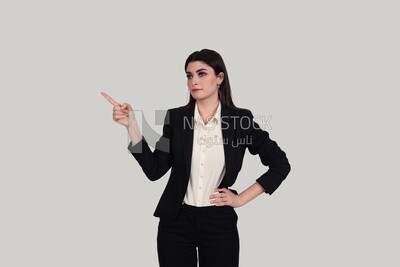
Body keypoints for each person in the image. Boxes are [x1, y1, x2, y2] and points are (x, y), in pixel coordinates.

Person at [101, 49, 291, 267]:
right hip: (175, 222)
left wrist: (240, 199)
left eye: (202, 74)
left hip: (218, 223)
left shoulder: (240, 121)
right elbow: (155, 170)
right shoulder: (175, 119)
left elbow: (280, 164)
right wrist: (131, 125)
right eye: (189, 76)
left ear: (219, 78)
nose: (194, 81)